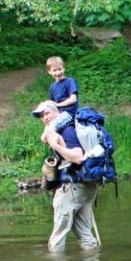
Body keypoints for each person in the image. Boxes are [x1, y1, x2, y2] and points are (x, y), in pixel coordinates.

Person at [32, 101, 98, 252]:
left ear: (57, 112)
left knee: (57, 237)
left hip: (71, 187)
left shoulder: (66, 131)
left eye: (47, 113)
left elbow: (78, 157)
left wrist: (56, 146)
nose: (44, 117)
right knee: (85, 235)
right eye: (41, 116)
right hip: (84, 186)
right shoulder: (63, 130)